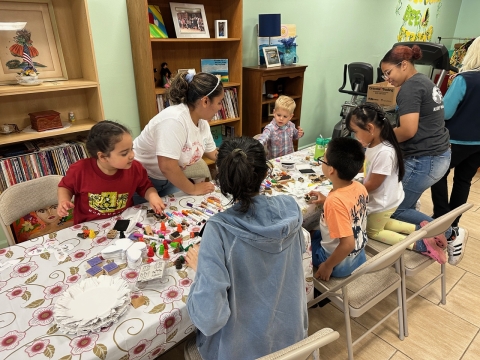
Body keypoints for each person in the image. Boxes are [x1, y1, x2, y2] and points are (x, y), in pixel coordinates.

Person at [185, 136, 307, 360]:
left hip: (242, 351)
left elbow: (209, 318)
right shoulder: (290, 206)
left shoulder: (218, 230)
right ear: (265, 171)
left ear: (220, 177)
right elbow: (301, 249)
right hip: (293, 340)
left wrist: (201, 269)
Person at [380, 44, 466, 265]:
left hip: (425, 159)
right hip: (439, 154)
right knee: (406, 201)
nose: (387, 78)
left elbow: (408, 130)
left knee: (397, 210)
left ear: (404, 65)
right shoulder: (426, 82)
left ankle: (451, 234)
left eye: (389, 72)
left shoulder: (409, 89)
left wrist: (380, 139)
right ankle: (428, 232)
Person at [346, 103, 447, 264]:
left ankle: (419, 244)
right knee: (383, 223)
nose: (356, 137)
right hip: (388, 199)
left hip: (383, 202)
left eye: (356, 132)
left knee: (374, 232)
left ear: (370, 128)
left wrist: (349, 189)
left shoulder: (385, 151)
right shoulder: (375, 144)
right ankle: (421, 229)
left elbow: (374, 184)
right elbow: (367, 167)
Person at [133, 71, 221, 201]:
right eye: (219, 102)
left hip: (168, 180)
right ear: (205, 101)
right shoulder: (174, 120)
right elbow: (167, 167)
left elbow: (212, 152)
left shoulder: (201, 122)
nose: (220, 107)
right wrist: (193, 189)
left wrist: (234, 158)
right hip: (143, 183)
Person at [57, 121, 165, 225]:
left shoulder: (135, 168)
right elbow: (65, 187)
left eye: (132, 149)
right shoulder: (80, 170)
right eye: (124, 153)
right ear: (103, 157)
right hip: (89, 226)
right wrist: (63, 201)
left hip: (123, 222)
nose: (132, 155)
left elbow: (145, 187)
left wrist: (153, 196)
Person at [431, 37, 480, 264]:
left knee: (436, 173)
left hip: (455, 140)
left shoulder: (464, 79)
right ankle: (454, 225)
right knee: (463, 181)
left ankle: (442, 221)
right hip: (478, 144)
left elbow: (447, 112)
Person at [307, 137, 368, 281]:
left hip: (339, 264)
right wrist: (326, 200)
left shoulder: (335, 201)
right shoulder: (360, 187)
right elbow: (349, 209)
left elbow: (347, 244)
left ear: (331, 170)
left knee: (301, 239)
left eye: (323, 159)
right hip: (359, 255)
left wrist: (327, 266)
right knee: (314, 232)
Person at [257, 95, 304, 159]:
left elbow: (295, 136)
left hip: (289, 158)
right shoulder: (270, 128)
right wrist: (256, 145)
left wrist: (299, 134)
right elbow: (263, 139)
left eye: (285, 116)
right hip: (275, 161)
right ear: (274, 112)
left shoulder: (291, 125)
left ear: (290, 116)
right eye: (279, 115)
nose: (281, 119)